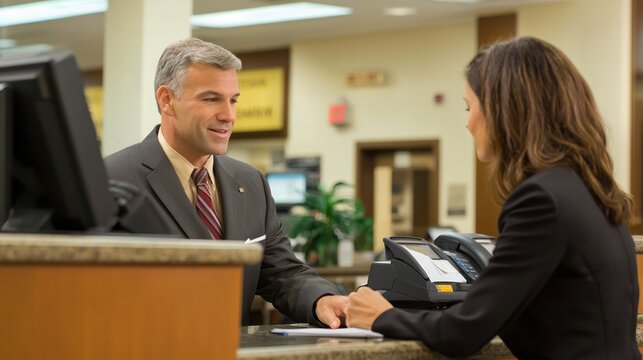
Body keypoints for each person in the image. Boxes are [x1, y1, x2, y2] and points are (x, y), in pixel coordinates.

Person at [344, 36, 641, 359]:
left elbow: (463, 332)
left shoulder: (540, 199)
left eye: (470, 108)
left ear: (505, 111)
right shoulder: (590, 188)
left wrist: (382, 315)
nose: (468, 123)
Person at [104, 38, 347, 327]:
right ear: (166, 100)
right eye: (211, 99)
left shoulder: (250, 181)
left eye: (233, 100)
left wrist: (322, 299)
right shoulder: (112, 178)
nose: (228, 116)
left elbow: (280, 272)